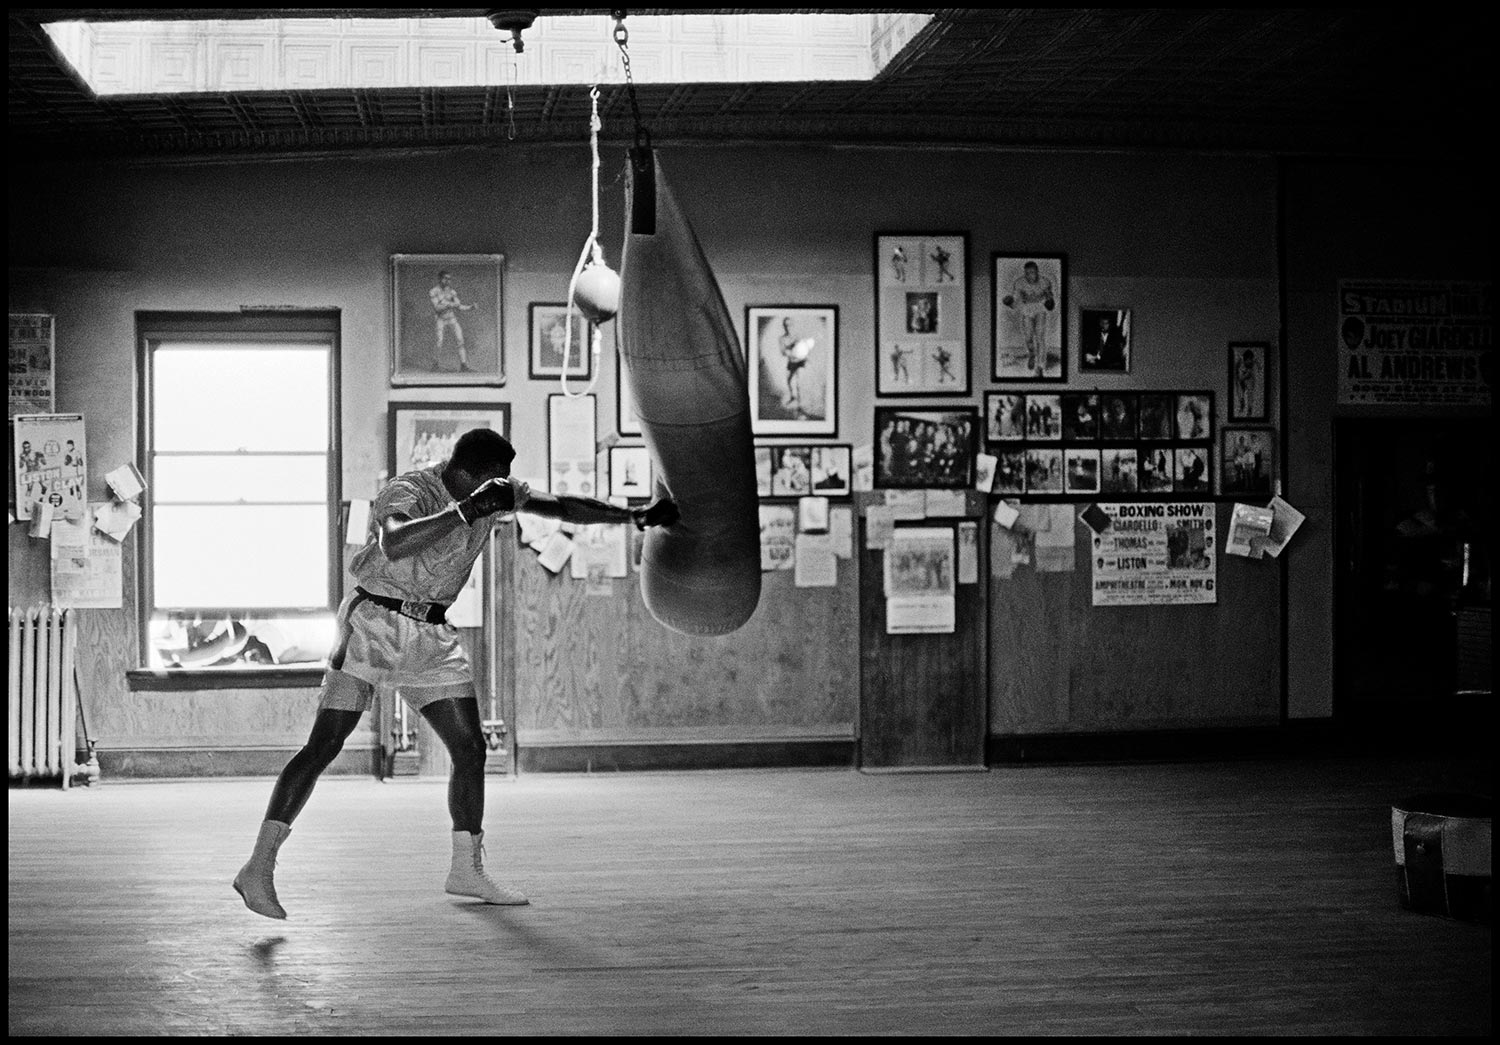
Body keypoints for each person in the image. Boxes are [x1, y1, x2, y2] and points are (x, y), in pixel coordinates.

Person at [233, 428, 678, 919]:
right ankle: (259, 866)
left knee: (469, 748)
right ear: (468, 472)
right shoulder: (411, 490)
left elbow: (562, 507)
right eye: (494, 480)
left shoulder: (496, 493)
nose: (502, 489)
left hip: (431, 636)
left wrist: (632, 515)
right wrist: (467, 511)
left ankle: (466, 868)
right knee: (324, 747)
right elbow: (396, 541)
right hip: (374, 623)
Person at [1000, 261, 1056, 374]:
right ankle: (1031, 354)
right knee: (1029, 338)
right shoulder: (1019, 283)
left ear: (1037, 272)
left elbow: (1049, 296)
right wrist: (1009, 302)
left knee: (1040, 338)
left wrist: (1050, 302)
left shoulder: (1045, 282)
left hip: (1040, 308)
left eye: (1032, 272)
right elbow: (1015, 300)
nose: (1030, 275)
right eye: (1027, 273)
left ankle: (1040, 365)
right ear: (1025, 273)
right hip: (1027, 309)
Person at [428, 270, 476, 372]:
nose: (448, 281)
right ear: (440, 279)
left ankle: (464, 365)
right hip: (440, 319)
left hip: (452, 319)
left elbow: (459, 306)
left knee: (460, 340)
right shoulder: (433, 291)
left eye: (449, 279)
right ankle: (435, 365)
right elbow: (437, 308)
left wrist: (470, 307)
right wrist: (450, 304)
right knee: (439, 342)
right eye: (445, 278)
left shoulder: (452, 292)